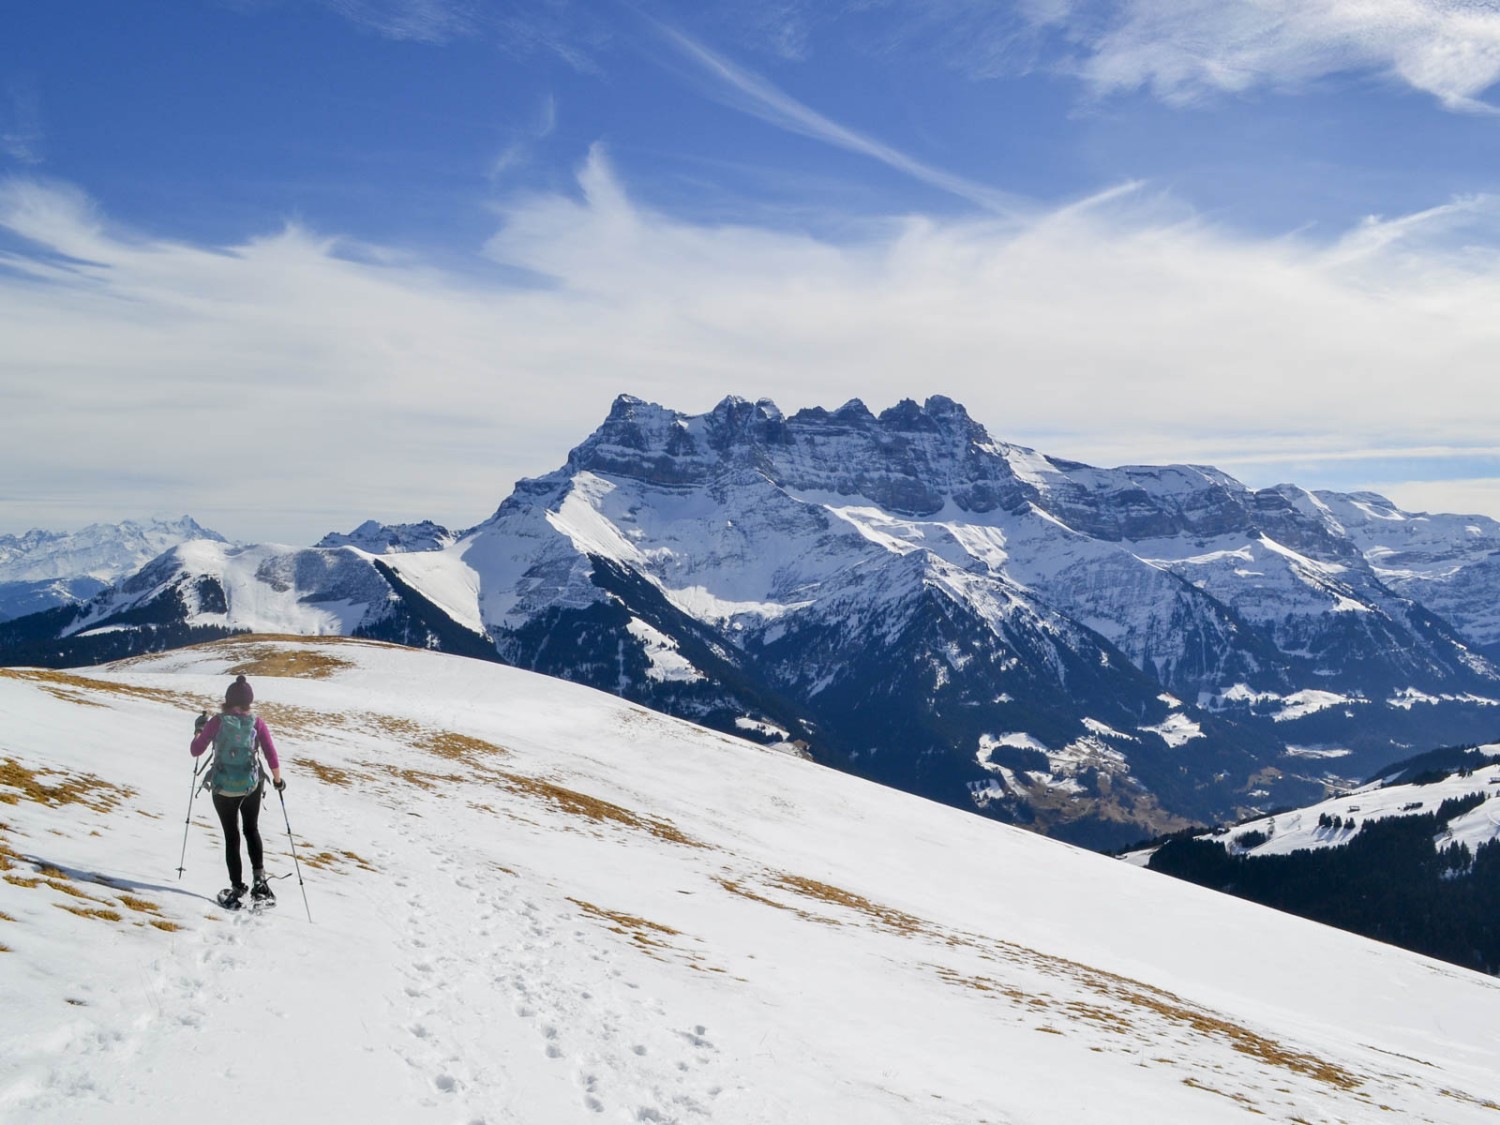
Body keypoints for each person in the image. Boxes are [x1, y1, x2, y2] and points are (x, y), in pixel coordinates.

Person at [190, 674, 285, 908]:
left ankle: (236, 887)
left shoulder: (217, 721)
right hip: (251, 784)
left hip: (223, 788)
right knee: (251, 830)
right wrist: (277, 780)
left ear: (227, 699)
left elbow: (196, 751)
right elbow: (271, 753)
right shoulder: (257, 722)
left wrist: (198, 731)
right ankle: (260, 884)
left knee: (231, 836)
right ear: (249, 701)